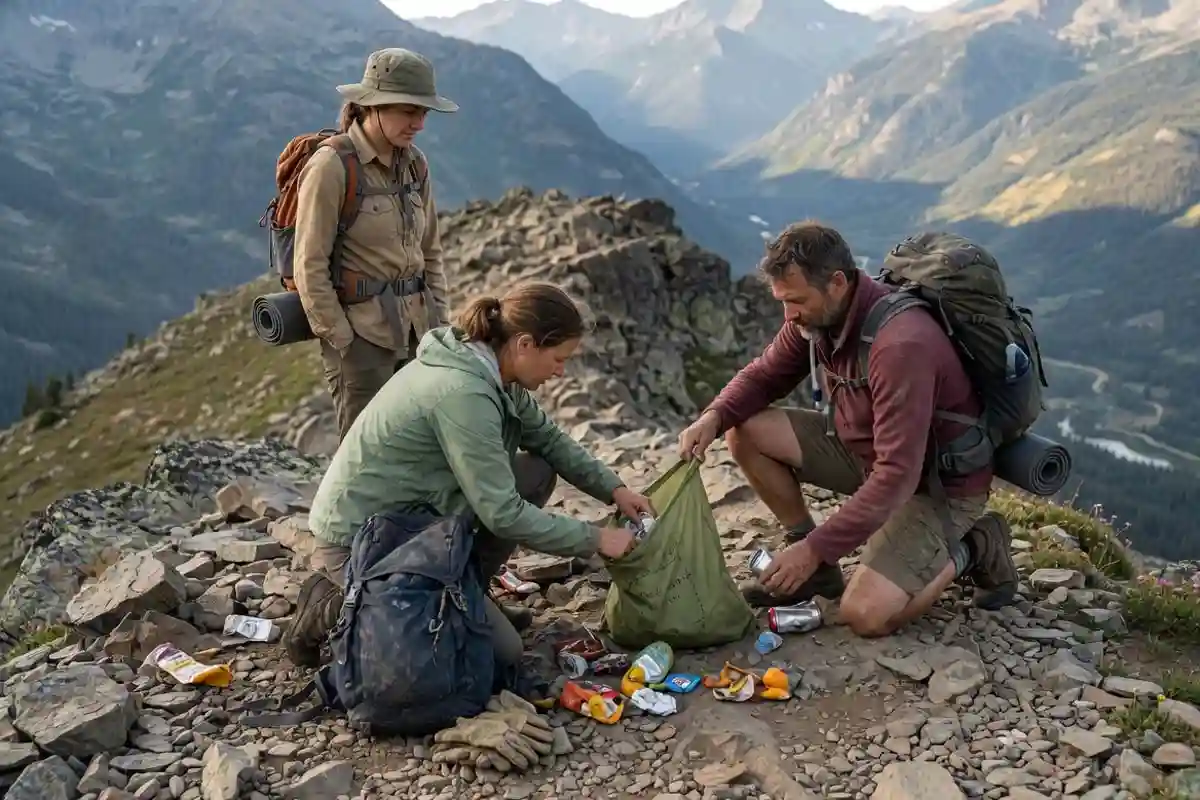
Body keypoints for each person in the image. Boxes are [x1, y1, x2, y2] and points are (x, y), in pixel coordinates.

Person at [676, 221, 1018, 638]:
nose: (789, 314)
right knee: (743, 428)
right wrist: (714, 415)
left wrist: (815, 548)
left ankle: (976, 546)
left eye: (797, 300)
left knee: (866, 616)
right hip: (867, 456)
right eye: (782, 301)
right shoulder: (818, 319)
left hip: (937, 484)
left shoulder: (900, 345)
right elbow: (764, 376)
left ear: (837, 282)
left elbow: (897, 476)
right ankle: (818, 577)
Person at [286, 282, 654, 668]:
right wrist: (595, 539)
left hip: (417, 519)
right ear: (525, 344)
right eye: (558, 359)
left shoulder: (494, 372)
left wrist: (614, 489)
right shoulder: (464, 392)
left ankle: (468, 593)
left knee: (536, 470)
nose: (560, 372)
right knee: (500, 656)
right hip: (362, 541)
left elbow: (548, 440)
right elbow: (502, 513)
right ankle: (328, 604)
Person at [293, 47, 457, 441]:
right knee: (365, 454)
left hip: (418, 332)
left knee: (416, 443)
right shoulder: (332, 166)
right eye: (408, 111)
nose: (418, 123)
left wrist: (440, 323)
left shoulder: (415, 164)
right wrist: (343, 340)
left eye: (424, 113)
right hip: (362, 340)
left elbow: (429, 250)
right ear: (372, 106)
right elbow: (309, 264)